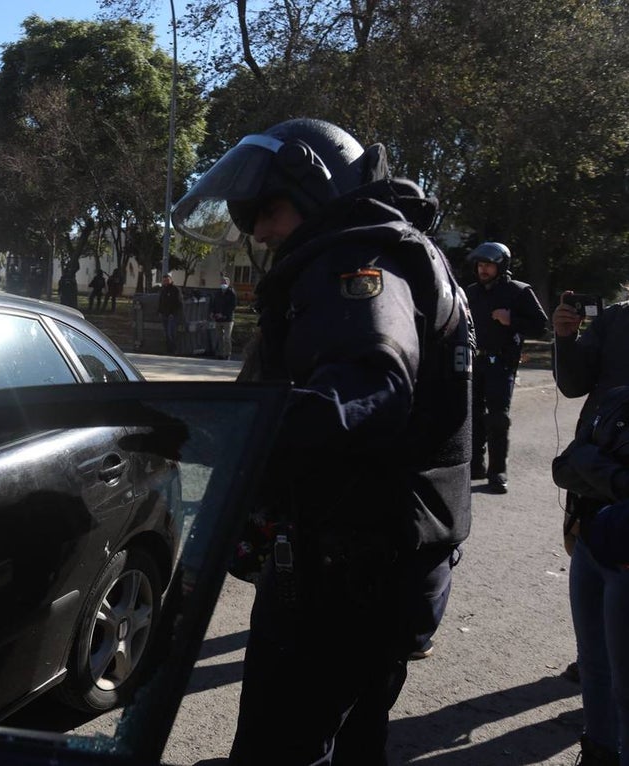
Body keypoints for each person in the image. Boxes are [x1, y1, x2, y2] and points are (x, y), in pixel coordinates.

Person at [172, 117, 472, 765]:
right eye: (250, 218)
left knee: (279, 749)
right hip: (382, 563)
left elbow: (375, 383)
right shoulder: (386, 249)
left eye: (269, 210)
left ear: (315, 188)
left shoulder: (356, 260)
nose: (260, 231)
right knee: (351, 743)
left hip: (348, 574)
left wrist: (231, 435)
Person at [553, 290, 629, 765]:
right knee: (596, 656)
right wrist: (565, 338)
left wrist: (586, 464)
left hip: (605, 482)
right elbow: (574, 383)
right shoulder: (618, 318)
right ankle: (599, 746)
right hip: (593, 497)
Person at [464, 242, 548, 493]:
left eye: (488, 265)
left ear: (501, 266)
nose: (483, 269)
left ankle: (497, 471)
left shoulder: (518, 291)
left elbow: (540, 326)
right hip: (473, 361)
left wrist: (512, 320)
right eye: (480, 265)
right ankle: (475, 465)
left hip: (501, 363)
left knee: (498, 418)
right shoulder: (470, 292)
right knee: (473, 415)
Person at [209, 276, 237, 360]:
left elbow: (232, 306)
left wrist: (224, 314)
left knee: (227, 337)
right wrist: (213, 313)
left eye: (225, 282)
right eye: (222, 282)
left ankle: (227, 353)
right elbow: (214, 304)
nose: (223, 283)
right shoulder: (218, 293)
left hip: (228, 319)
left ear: (228, 283)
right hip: (218, 319)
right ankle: (220, 353)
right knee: (219, 337)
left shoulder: (231, 293)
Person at [157, 274, 183, 355]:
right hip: (164, 314)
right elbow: (161, 302)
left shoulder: (175, 289)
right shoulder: (163, 290)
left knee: (170, 333)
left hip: (172, 315)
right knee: (165, 333)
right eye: (164, 280)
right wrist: (159, 311)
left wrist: (173, 313)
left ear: (171, 280)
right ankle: (168, 349)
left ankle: (174, 349)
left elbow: (178, 303)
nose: (166, 282)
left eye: (167, 280)